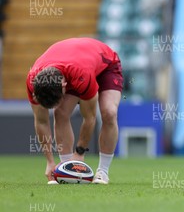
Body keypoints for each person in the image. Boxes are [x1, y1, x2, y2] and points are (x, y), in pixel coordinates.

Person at [27, 38, 123, 184]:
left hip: (106, 64)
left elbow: (89, 118)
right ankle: (65, 169)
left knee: (109, 112)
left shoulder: (81, 75)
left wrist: (79, 152)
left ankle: (103, 172)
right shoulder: (33, 80)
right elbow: (41, 121)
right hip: (73, 64)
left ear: (64, 85)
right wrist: (49, 161)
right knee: (60, 113)